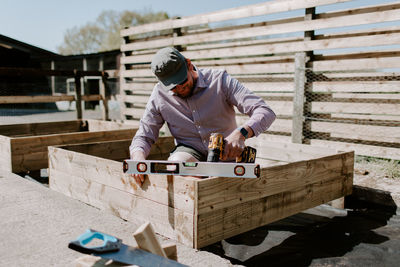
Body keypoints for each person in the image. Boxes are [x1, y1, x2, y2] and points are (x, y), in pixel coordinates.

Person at [130, 47, 276, 186]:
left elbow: (264, 111)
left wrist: (241, 133)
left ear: (188, 64)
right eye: (173, 87)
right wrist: (137, 158)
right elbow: (144, 135)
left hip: (226, 154)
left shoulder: (220, 80)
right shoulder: (159, 95)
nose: (179, 89)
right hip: (189, 153)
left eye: (182, 81)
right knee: (176, 164)